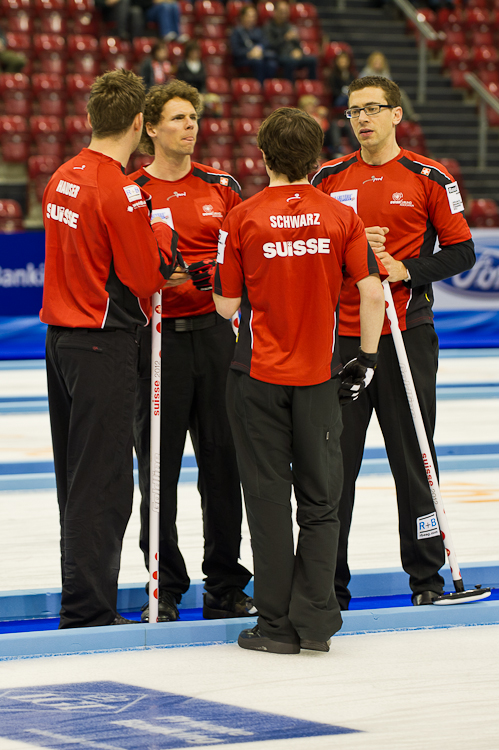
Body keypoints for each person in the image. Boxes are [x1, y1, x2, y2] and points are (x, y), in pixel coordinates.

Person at [213, 107, 386, 654]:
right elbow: (372, 291)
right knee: (321, 501)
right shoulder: (340, 216)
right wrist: (366, 358)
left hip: (258, 376)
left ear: (263, 155)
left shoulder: (241, 217)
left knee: (266, 500)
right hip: (319, 378)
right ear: (316, 158)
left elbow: (226, 303)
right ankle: (316, 622)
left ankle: (274, 627)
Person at [311, 76, 475, 610]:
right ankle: (330, 585)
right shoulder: (328, 178)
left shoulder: (428, 177)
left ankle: (426, 579)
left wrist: (405, 267)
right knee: (337, 467)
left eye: (373, 109)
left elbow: (462, 253)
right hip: (346, 341)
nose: (362, 119)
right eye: (354, 110)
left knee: (416, 462)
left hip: (408, 335)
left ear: (396, 115)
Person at [40, 69, 181, 629]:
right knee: (103, 484)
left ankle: (79, 594)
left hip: (61, 342)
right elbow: (147, 275)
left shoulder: (63, 175)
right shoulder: (119, 189)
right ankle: (87, 610)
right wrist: (162, 235)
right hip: (103, 343)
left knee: (74, 481)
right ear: (141, 124)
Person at [129, 80, 255, 623]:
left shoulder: (221, 185)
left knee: (223, 467)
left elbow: (249, 253)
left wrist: (208, 276)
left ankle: (225, 583)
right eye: (178, 118)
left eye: (194, 117)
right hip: (155, 342)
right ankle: (167, 586)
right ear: (150, 129)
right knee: (157, 471)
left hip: (213, 338)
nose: (190, 126)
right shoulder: (130, 188)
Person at [263, 0, 316, 81]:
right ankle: (290, 87)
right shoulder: (268, 27)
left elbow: (297, 44)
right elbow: (270, 44)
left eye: (285, 12)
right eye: (281, 12)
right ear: (275, 12)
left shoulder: (290, 26)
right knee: (290, 62)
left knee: (312, 60)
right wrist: (285, 38)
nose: (283, 15)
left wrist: (298, 51)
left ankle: (312, 86)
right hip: (279, 55)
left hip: (292, 55)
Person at [360, 51, 419, 121]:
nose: (378, 64)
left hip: (384, 93)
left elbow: (390, 85)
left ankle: (408, 115)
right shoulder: (365, 73)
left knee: (400, 93)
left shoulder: (385, 73)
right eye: (376, 62)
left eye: (380, 62)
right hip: (371, 94)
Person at [230, 5, 277, 85]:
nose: (252, 19)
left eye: (253, 16)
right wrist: (249, 52)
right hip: (244, 58)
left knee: (272, 63)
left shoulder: (258, 31)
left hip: (260, 56)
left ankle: (269, 87)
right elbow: (236, 50)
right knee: (258, 62)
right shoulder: (237, 32)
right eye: (249, 16)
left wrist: (259, 48)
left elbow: (266, 43)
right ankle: (259, 87)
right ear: (242, 17)